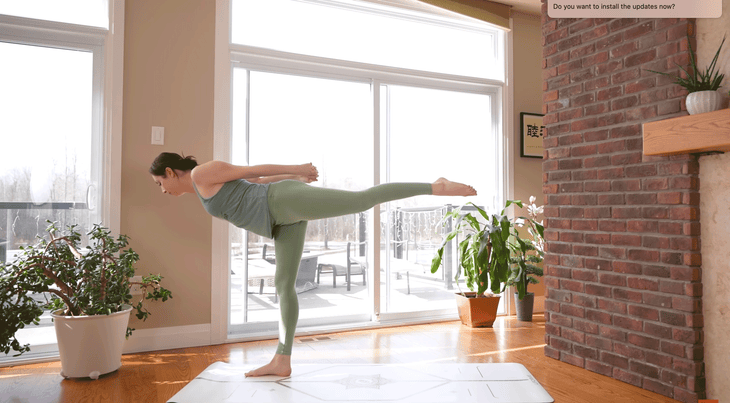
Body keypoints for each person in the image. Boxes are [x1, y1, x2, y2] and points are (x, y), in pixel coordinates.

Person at [149, 152, 477, 377]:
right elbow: (255, 183)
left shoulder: (203, 173)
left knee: (362, 199)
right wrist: (294, 174)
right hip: (279, 221)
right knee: (283, 286)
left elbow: (253, 173)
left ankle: (436, 186)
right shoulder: (202, 188)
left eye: (158, 183)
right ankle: (282, 359)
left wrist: (296, 170)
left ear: (168, 173)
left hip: (282, 202)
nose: (160, 190)